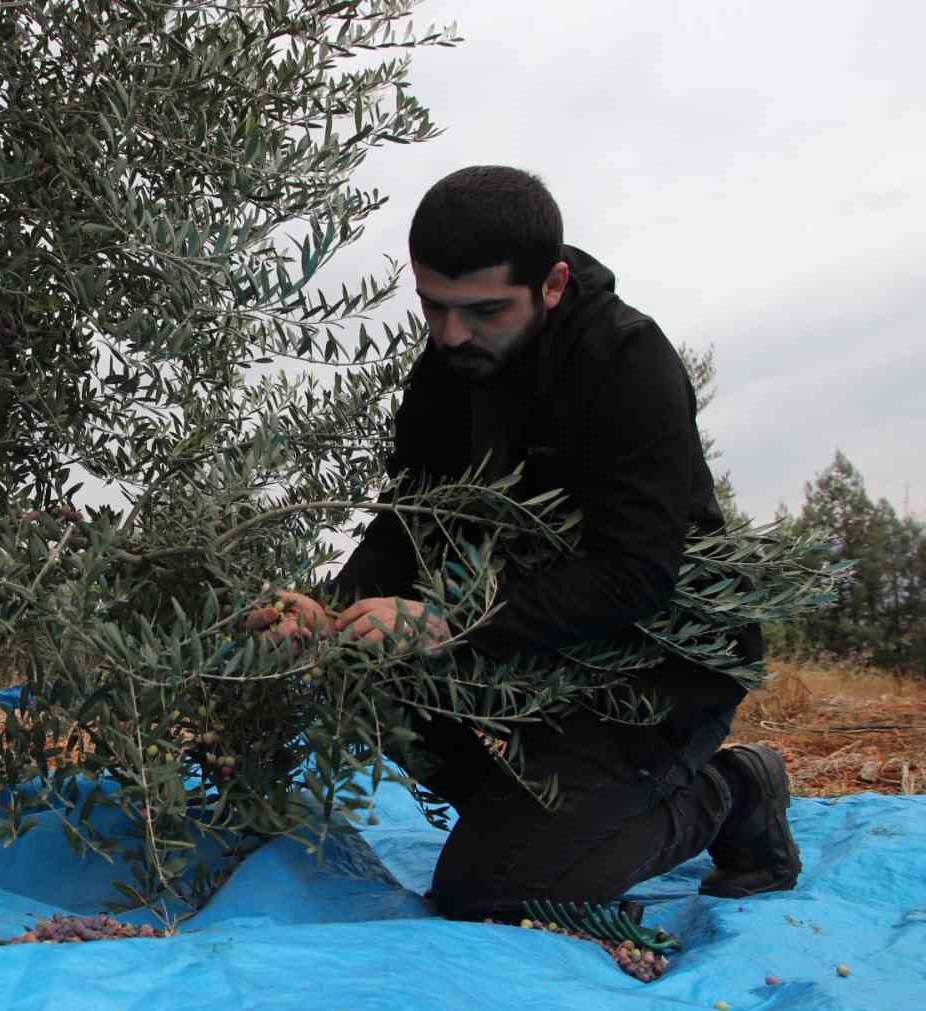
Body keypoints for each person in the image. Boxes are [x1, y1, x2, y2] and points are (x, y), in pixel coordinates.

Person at [247, 165, 800, 921]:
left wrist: (443, 624)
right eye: (432, 307)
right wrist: (326, 610)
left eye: (482, 311)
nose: (451, 334)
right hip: (535, 650)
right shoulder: (447, 369)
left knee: (491, 891)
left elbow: (636, 573)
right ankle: (551, 825)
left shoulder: (627, 361)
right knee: (364, 674)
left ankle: (731, 790)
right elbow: (410, 519)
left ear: (552, 283)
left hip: (658, 667)